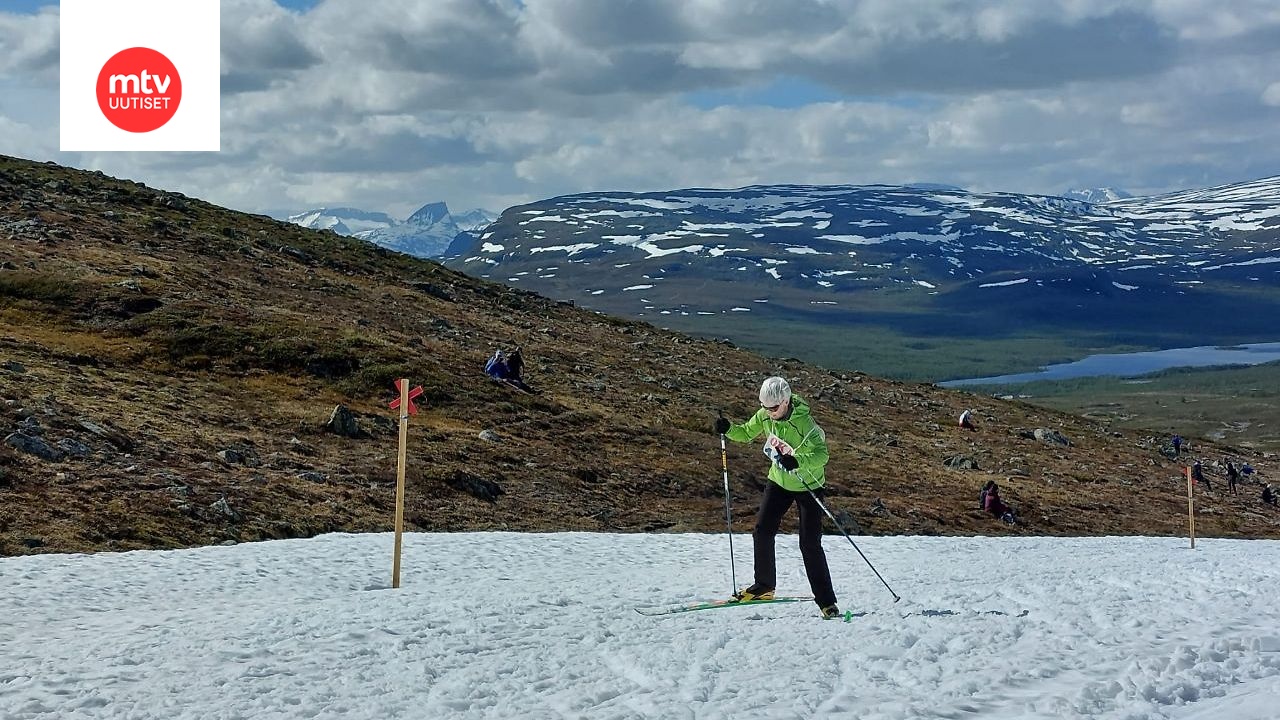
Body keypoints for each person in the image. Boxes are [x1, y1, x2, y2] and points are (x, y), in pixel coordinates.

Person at [714, 376, 840, 619]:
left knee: (809, 544)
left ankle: (827, 602)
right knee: (762, 530)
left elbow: (822, 456)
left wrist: (798, 461)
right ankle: (764, 586)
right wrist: (728, 429)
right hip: (779, 481)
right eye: (764, 407)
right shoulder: (764, 415)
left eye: (772, 408)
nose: (767, 412)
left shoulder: (806, 425)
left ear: (785, 402)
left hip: (808, 486)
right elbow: (746, 433)